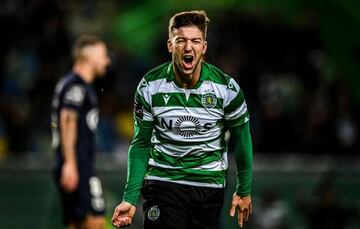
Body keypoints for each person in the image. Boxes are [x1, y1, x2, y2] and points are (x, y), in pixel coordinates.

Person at [112, 10, 253, 228]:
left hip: (209, 187)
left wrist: (244, 190)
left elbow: (242, 138)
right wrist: (129, 198)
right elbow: (140, 144)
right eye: (181, 41)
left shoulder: (226, 89)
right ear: (170, 46)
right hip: (163, 184)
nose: (188, 47)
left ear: (204, 48)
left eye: (195, 41)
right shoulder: (150, 86)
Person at [51, 35, 110, 229]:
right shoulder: (76, 85)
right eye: (103, 55)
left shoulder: (68, 83)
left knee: (76, 223)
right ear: (90, 58)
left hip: (70, 164)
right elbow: (67, 120)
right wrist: (70, 163)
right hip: (78, 166)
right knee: (95, 220)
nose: (107, 61)